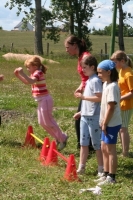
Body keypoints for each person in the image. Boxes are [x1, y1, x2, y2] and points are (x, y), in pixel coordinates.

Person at [14, 56, 68, 150]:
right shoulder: (34, 73)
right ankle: (58, 138)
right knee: (42, 122)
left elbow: (31, 81)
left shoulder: (38, 73)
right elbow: (28, 82)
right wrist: (18, 76)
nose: (27, 69)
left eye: (29, 67)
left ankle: (63, 137)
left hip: (45, 100)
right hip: (41, 100)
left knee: (48, 121)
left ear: (35, 66)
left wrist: (22, 73)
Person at [73, 55, 103, 176]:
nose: (83, 70)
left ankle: (101, 168)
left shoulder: (95, 80)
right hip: (85, 117)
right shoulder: (89, 80)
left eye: (85, 67)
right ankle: (81, 167)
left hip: (94, 117)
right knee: (83, 143)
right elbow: (88, 103)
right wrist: (81, 113)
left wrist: (83, 96)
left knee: (96, 145)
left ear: (92, 67)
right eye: (82, 67)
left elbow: (99, 98)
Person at [95, 60, 122, 185]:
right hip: (105, 122)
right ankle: (105, 174)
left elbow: (111, 107)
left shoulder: (112, 87)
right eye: (98, 72)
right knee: (104, 148)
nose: (99, 75)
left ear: (109, 72)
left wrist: (105, 123)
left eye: (100, 72)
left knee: (110, 150)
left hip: (111, 123)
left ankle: (112, 177)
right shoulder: (106, 84)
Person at [64, 35, 93, 150]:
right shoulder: (80, 56)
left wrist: (86, 89)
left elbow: (92, 75)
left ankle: (85, 146)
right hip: (85, 89)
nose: (66, 50)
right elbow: (84, 77)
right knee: (82, 118)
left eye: (67, 47)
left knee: (81, 118)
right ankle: (85, 145)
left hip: (90, 91)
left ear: (74, 45)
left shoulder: (86, 57)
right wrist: (80, 86)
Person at [110, 50, 133, 157]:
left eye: (115, 62)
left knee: (123, 129)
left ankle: (125, 153)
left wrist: (119, 98)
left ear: (122, 61)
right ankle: (124, 150)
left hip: (127, 105)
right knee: (121, 128)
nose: (114, 65)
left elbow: (132, 93)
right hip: (121, 104)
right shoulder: (121, 71)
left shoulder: (129, 74)